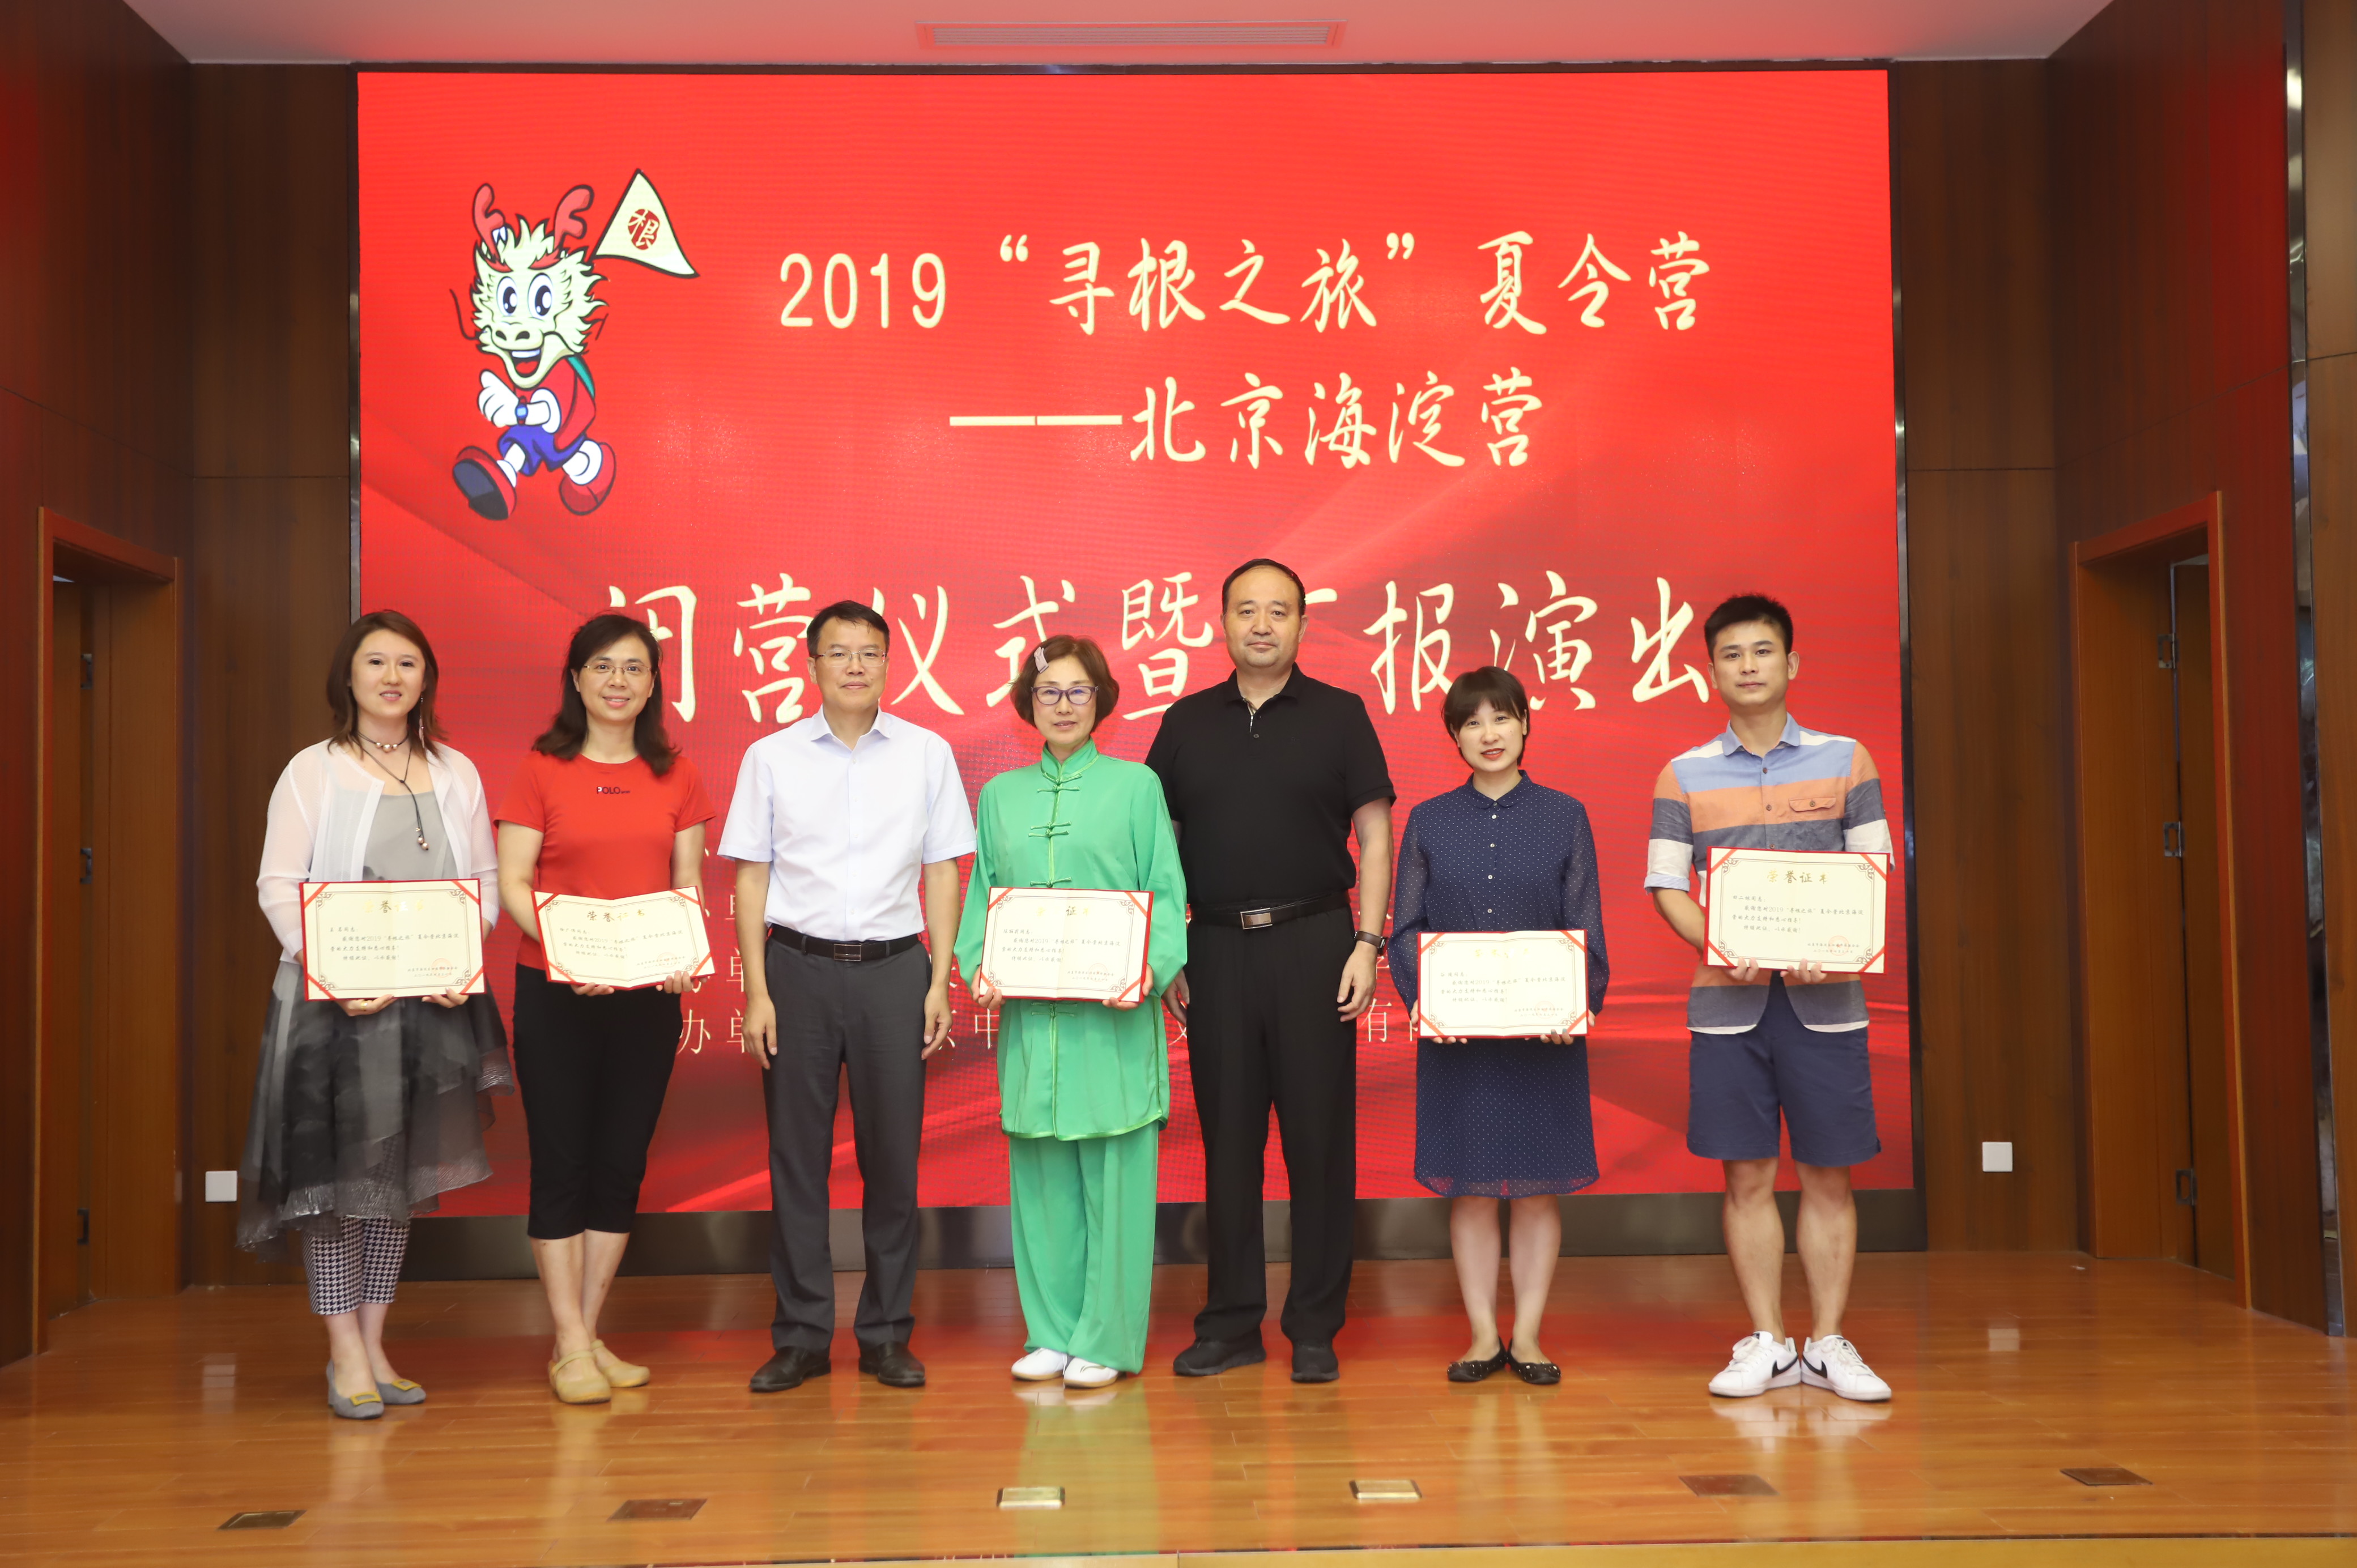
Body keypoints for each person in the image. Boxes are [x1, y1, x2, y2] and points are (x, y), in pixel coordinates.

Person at [240, 610, 513, 1420]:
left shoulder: (457, 771)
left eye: (408, 663)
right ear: (349, 676)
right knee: (335, 1186)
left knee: (397, 1180)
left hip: (428, 1007)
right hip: (335, 1009)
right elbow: (278, 884)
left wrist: (460, 958)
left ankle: (376, 1341)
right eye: (376, 662)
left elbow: (485, 883)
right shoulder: (313, 770)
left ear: (426, 679)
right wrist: (330, 969)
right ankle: (344, 1351)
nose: (392, 677)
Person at [1146, 558, 1394, 1384]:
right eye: (1246, 610)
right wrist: (1168, 952)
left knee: (1320, 1143)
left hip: (1317, 942)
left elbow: (1376, 834)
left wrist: (1367, 942)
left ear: (1302, 625)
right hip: (1215, 949)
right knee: (1229, 1146)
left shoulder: (1340, 714)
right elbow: (1158, 847)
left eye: (1278, 611)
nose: (1261, 624)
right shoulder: (1184, 722)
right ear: (1221, 622)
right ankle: (1231, 1323)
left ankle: (1315, 1324)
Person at [1643, 593, 1895, 1403]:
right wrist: (1722, 944)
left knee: (1828, 1176)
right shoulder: (1683, 773)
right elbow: (1666, 884)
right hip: (1728, 1005)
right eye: (1731, 654)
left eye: (1762, 651)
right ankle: (1766, 1341)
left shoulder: (1847, 759)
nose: (1747, 666)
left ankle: (1828, 1342)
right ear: (1710, 670)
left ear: (1791, 662)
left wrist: (1839, 944)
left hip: (1829, 1001)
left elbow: (1874, 871)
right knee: (1746, 1177)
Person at [723, 600, 975, 1393]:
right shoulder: (770, 756)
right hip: (794, 969)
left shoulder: (927, 753)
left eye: (870, 652)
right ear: (812, 665)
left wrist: (938, 978)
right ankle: (801, 1335)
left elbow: (943, 869)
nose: (855, 666)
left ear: (890, 664)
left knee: (892, 1159)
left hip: (895, 971)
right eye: (839, 652)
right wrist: (757, 990)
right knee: (796, 1160)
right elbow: (751, 877)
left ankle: (886, 1333)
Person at [955, 637, 1188, 1388]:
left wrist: (1144, 972)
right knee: (1043, 1180)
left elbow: (1167, 893)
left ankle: (1107, 1340)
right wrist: (981, 967)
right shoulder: (1000, 796)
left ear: (1101, 700)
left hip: (1114, 1022)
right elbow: (983, 898)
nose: (1062, 705)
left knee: (1115, 1184)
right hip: (1034, 1025)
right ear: (1028, 704)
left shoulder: (1137, 786)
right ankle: (1052, 1332)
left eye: (1077, 690)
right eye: (1047, 691)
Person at [495, 613, 714, 1404]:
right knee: (562, 1164)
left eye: (634, 668)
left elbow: (685, 885)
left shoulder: (678, 774)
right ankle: (570, 1340)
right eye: (602, 667)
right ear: (577, 679)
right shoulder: (540, 769)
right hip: (556, 993)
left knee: (621, 1164)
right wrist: (569, 953)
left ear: (653, 684)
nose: (618, 681)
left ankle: (582, 1340)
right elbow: (513, 881)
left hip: (647, 998)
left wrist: (685, 953)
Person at [1387, 667, 1609, 1386]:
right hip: (1459, 1042)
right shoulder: (1428, 820)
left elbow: (1584, 922)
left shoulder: (1564, 814)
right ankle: (1483, 1333)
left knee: (1538, 1189)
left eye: (1501, 717)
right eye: (1471, 722)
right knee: (1472, 1186)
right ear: (1453, 736)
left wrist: (1573, 1004)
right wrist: (1429, 1002)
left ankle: (1530, 1332)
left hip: (1544, 1041)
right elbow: (1405, 929)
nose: (1489, 733)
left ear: (1525, 724)